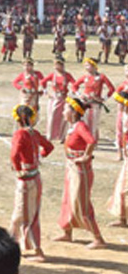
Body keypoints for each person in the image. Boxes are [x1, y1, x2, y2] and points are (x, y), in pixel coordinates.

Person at [54, 97, 106, 249]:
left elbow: (91, 141)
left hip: (80, 170)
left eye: (66, 109)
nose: (63, 112)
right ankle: (67, 232)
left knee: (81, 203)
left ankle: (98, 238)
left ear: (73, 112)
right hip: (71, 168)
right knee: (68, 199)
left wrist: (86, 156)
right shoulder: (73, 126)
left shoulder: (80, 126)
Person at [9, 104, 54, 262]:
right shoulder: (34, 133)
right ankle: (18, 246)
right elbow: (48, 147)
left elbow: (14, 154)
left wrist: (18, 168)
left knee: (21, 215)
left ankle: (36, 250)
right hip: (36, 176)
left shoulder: (20, 134)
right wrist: (38, 157)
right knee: (31, 213)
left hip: (26, 178)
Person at [71, 57, 114, 140]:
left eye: (88, 65)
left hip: (95, 103)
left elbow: (111, 89)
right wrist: (79, 94)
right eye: (85, 65)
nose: (86, 67)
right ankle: (86, 140)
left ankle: (93, 141)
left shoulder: (101, 77)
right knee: (85, 121)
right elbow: (74, 86)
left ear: (94, 66)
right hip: (85, 102)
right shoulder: (85, 77)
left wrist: (104, 98)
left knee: (94, 123)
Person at [41, 55, 75, 142]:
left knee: (64, 117)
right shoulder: (53, 75)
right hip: (55, 97)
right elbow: (43, 82)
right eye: (55, 64)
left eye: (59, 64)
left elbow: (74, 84)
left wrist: (71, 93)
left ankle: (62, 136)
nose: (57, 66)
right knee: (52, 115)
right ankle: (50, 135)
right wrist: (46, 92)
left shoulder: (67, 75)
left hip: (64, 97)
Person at [108, 91, 128, 227]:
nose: (118, 105)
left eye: (120, 103)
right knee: (122, 185)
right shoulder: (124, 115)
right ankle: (122, 217)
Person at [115, 65, 128, 161]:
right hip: (122, 111)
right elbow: (116, 95)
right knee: (120, 132)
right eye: (126, 70)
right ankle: (119, 152)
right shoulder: (123, 84)